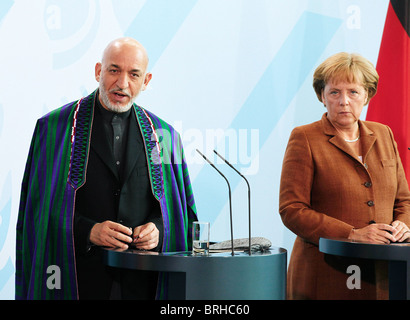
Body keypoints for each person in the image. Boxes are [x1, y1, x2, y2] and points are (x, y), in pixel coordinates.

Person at [16, 37, 198, 300]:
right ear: (98, 71)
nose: (122, 83)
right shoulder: (54, 129)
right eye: (114, 70)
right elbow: (39, 211)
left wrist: (157, 229)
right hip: (75, 280)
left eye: (133, 74)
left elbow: (179, 214)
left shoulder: (165, 136)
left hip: (143, 284)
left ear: (145, 81)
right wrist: (88, 231)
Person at [279, 52, 410, 300]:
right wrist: (352, 233)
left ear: (367, 95)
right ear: (322, 96)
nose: (344, 101)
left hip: (382, 275)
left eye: (353, 92)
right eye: (334, 92)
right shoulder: (305, 137)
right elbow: (291, 209)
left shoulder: (384, 134)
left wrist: (404, 224)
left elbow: (404, 200)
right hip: (325, 273)